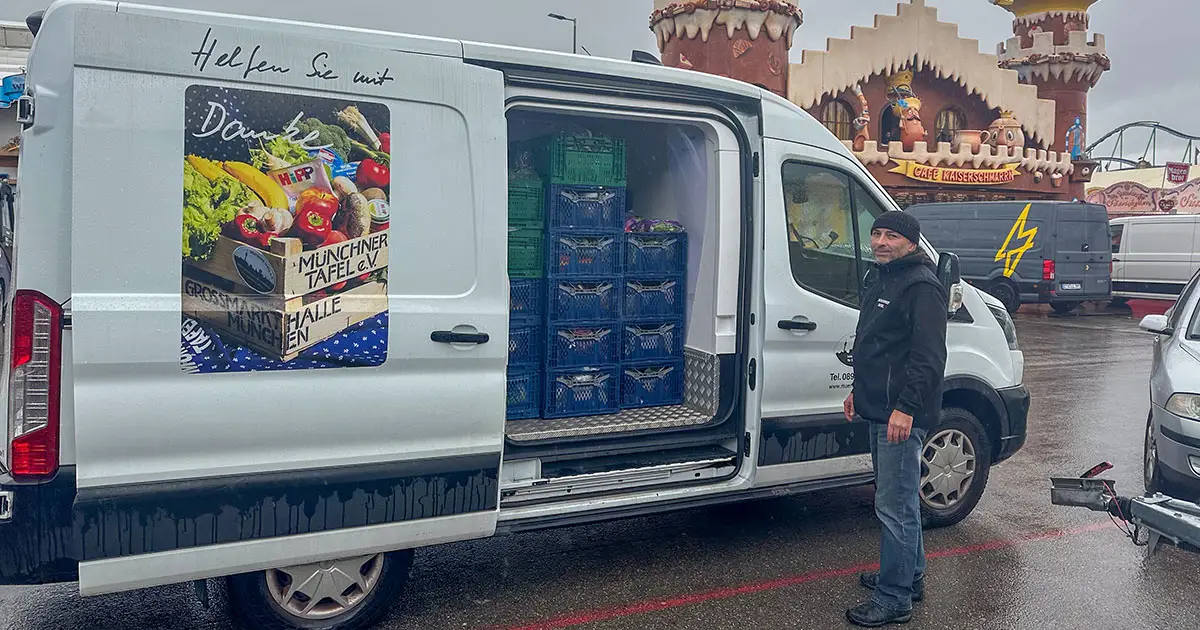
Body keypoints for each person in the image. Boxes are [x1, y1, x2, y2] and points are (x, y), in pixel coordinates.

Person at [843, 211, 948, 627]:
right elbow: (876, 345)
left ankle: (894, 598)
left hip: (900, 414)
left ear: (911, 242)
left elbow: (929, 358)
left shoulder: (921, 287)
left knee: (895, 505)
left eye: (892, 236)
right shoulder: (883, 278)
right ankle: (910, 576)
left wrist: (905, 407)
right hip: (880, 406)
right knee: (898, 499)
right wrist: (858, 391)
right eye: (877, 233)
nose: (882, 241)